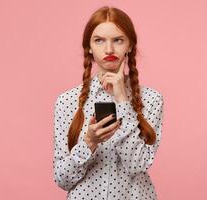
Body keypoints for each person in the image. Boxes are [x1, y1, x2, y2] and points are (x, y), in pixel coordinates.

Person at [53, 6, 164, 200]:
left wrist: (122, 100)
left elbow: (137, 165)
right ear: (89, 46)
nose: (109, 49)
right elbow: (62, 179)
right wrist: (89, 142)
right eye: (99, 40)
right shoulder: (67, 102)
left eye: (118, 40)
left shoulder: (152, 99)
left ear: (130, 45)